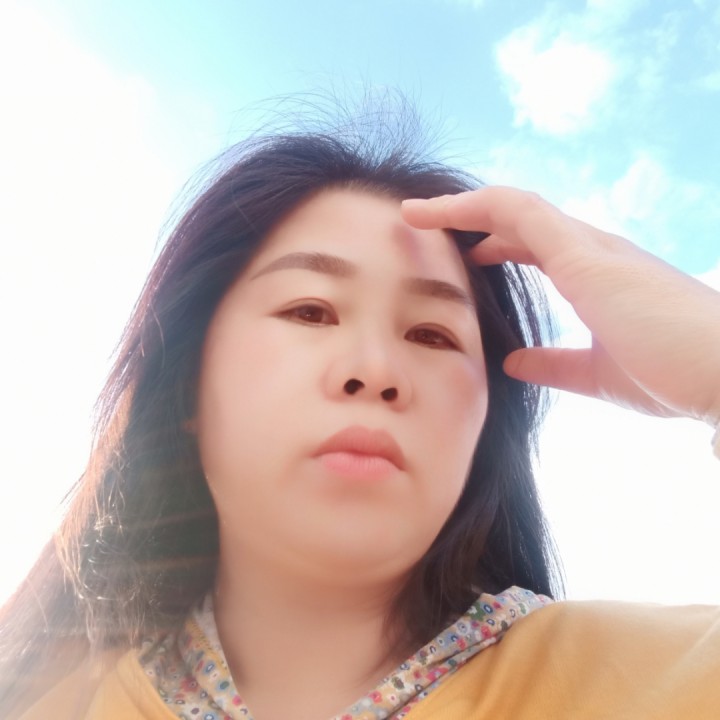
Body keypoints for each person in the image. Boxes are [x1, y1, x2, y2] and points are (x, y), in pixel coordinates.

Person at [2, 115, 719, 720]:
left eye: (431, 335)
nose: (375, 370)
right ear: (186, 383)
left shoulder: (665, 683)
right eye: (310, 311)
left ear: (483, 428)